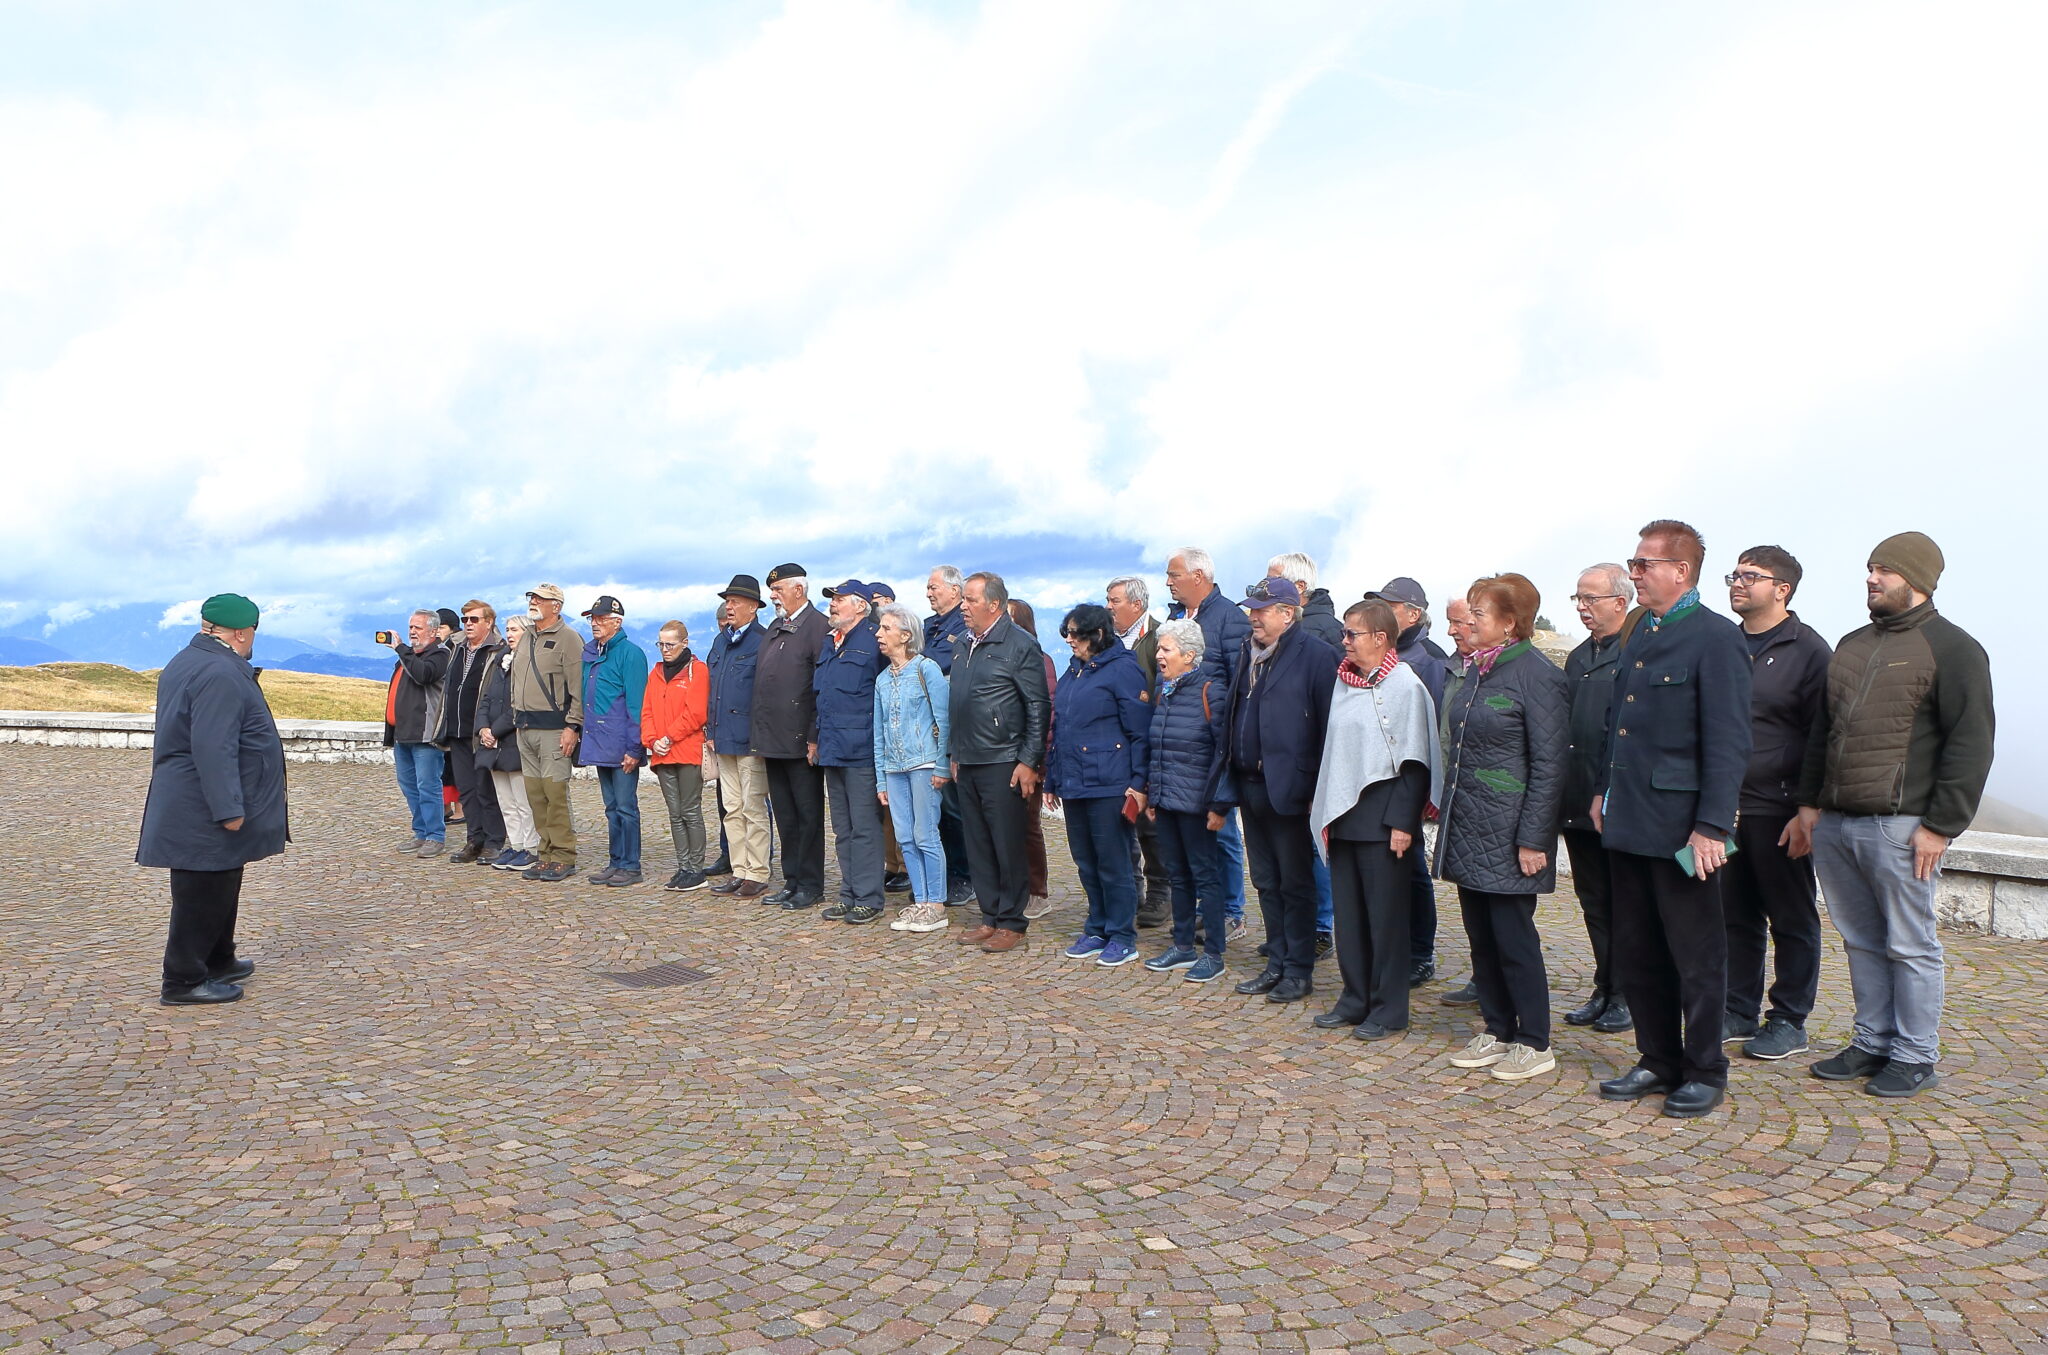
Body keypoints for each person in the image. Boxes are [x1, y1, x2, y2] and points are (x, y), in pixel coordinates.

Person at [1791, 532, 1994, 1098]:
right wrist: (1809, 806)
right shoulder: (1852, 644)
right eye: (1869, 568)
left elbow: (1970, 745)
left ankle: (1914, 1053)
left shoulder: (1954, 649)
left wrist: (1941, 826)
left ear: (1918, 580)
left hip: (1902, 826)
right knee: (1860, 939)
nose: (1871, 578)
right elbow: (1822, 734)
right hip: (1837, 821)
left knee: (1910, 943)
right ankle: (1872, 1040)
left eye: (1884, 570)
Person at [1592, 520, 1752, 1119]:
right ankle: (1657, 1058)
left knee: (1696, 954)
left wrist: (1712, 826)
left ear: (1680, 571)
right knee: (1636, 948)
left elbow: (1731, 741)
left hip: (1684, 827)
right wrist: (1602, 791)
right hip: (1630, 820)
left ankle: (1705, 1068)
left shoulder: (1715, 638)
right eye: (1634, 564)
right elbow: (1620, 724)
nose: (1634, 573)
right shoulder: (1642, 633)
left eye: (1644, 564)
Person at [1434, 574, 1569, 1083]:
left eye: (1480, 613)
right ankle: (1497, 1025)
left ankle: (1534, 1040)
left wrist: (1535, 838)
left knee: (1514, 937)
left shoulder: (1536, 676)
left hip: (1512, 833)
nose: (1470, 620)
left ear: (1510, 623)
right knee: (1481, 935)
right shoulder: (1479, 671)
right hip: (1471, 826)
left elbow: (1550, 766)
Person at [137, 594, 288, 1005]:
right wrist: (229, 809)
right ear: (242, 632)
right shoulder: (220, 671)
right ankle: (183, 979)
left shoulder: (191, 659)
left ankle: (219, 959)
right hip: (203, 805)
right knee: (202, 889)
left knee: (222, 881)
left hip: (195, 798)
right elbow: (212, 746)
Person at [1310, 599, 1442, 1039]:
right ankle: (1355, 998)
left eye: (1352, 634)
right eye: (1344, 633)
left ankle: (1388, 1009)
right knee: (1349, 918)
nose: (1344, 641)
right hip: (1346, 817)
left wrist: (1404, 823)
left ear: (1380, 638)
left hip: (1385, 824)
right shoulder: (1345, 683)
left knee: (1386, 920)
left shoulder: (1405, 685)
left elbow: (1416, 762)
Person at [1721, 546, 1833, 1059]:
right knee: (1734, 914)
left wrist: (1807, 809)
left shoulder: (1809, 651)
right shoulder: (1722, 643)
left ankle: (1789, 1018)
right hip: (1724, 807)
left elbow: (1821, 735)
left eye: (1751, 576)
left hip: (1779, 808)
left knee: (1791, 918)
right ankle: (1737, 1009)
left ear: (1782, 588)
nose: (1738, 583)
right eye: (1734, 575)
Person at [1211, 576, 1338, 1004]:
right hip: (1250, 786)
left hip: (1291, 790)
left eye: (1262, 611)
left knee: (1295, 882)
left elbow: (1326, 730)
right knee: (1266, 880)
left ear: (1287, 614)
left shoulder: (1317, 656)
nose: (1253, 618)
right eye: (1252, 610)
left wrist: (1315, 790)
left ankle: (1299, 970)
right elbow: (1234, 718)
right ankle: (1277, 962)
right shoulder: (1247, 653)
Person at [948, 572, 1053, 953]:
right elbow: (956, 705)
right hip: (969, 758)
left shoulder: (1019, 644)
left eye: (971, 599)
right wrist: (954, 753)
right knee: (977, 842)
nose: (963, 606)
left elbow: (1038, 706)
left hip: (1004, 760)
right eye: (962, 599)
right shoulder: (961, 644)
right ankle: (989, 915)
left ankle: (1012, 920)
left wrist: (1028, 760)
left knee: (1007, 843)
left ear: (994, 604)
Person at [1047, 603, 1152, 968]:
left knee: (1113, 862)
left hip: (1110, 783)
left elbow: (1140, 732)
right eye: (1067, 633)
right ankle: (1097, 926)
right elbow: (1060, 728)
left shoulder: (1123, 670)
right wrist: (1053, 776)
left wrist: (1139, 782)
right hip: (1075, 781)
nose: (1069, 640)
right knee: (1085, 861)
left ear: (1099, 634)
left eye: (1076, 634)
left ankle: (1122, 934)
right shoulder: (1073, 672)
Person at [1362, 577, 1451, 987]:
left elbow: (1428, 729)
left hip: (1406, 781)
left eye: (1390, 605)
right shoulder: (1382, 652)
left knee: (1412, 869)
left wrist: (1418, 792)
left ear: (1413, 614)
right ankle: (1391, 947)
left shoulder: (1428, 659)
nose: (1381, 611)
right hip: (1373, 781)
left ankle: (1420, 952)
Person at [1559, 565, 1636, 1035]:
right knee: (1593, 902)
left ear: (1620, 603)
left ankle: (1627, 992)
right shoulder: (1576, 657)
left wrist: (1606, 790)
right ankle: (1604, 985)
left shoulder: (1635, 652)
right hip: (1576, 800)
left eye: (1591, 599)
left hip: (1614, 802)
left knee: (1624, 902)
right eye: (1578, 599)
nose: (1583, 607)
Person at [1133, 619, 1230, 983]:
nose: (1159, 656)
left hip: (1198, 806)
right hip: (1169, 802)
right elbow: (1158, 748)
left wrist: (1220, 805)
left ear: (1190, 655)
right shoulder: (1165, 691)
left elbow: (1223, 754)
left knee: (1206, 877)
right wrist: (1154, 795)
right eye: (1158, 649)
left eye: (1166, 649)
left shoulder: (1210, 692)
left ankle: (1215, 953)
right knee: (1178, 874)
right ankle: (1183, 945)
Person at [1166, 547, 1251, 939]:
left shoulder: (1230, 618)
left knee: (1223, 832)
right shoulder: (1174, 616)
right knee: (1194, 840)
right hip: (1178, 739)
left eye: (1175, 575)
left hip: (1213, 740)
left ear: (1198, 577)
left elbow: (1239, 683)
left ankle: (1232, 911)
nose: (1169, 582)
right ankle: (1207, 907)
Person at [873, 602, 951, 933]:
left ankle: (936, 904)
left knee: (925, 833)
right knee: (904, 836)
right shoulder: (881, 680)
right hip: (894, 767)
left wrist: (943, 766)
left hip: (924, 763)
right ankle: (919, 901)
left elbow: (944, 720)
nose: (879, 633)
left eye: (886, 628)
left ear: (905, 635)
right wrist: (880, 779)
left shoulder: (926, 669)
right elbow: (878, 733)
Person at [755, 565, 831, 909]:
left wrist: (814, 735)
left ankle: (811, 884)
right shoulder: (775, 627)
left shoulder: (817, 627)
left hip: (802, 742)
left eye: (778, 589)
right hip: (772, 740)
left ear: (799, 590)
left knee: (808, 815)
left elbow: (820, 687)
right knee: (785, 815)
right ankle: (792, 879)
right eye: (772, 590)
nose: (773, 595)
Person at [815, 580, 889, 924]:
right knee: (842, 828)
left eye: (839, 599)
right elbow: (822, 697)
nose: (833, 604)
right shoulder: (830, 642)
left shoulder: (874, 641)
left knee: (865, 827)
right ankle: (849, 892)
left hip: (862, 750)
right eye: (832, 599)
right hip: (832, 748)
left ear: (860, 606)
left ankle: (869, 898)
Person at [508, 584, 585, 881]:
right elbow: (516, 679)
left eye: (541, 599)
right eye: (532, 597)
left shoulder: (569, 640)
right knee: (535, 795)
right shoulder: (527, 637)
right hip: (525, 728)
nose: (534, 602)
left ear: (557, 605)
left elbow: (577, 687)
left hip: (554, 730)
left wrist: (573, 726)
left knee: (555, 794)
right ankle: (546, 854)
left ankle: (564, 855)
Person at [1108, 574, 1171, 929]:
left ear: (1137, 604)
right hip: (1114, 744)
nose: (1109, 607)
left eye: (1115, 600)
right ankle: (1132, 890)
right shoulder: (1106, 641)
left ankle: (1162, 891)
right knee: (1122, 818)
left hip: (1148, 739)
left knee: (1151, 823)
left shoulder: (1159, 636)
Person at [706, 577, 772, 899]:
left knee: (752, 808)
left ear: (754, 607)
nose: (729, 607)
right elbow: (712, 690)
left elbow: (766, 695)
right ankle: (739, 869)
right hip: (722, 739)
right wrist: (709, 730)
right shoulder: (720, 643)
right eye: (727, 601)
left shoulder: (763, 641)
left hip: (750, 741)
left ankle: (757, 872)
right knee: (730, 808)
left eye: (735, 602)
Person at [578, 595, 649, 887]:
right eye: (592, 618)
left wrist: (635, 748)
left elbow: (636, 705)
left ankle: (631, 865)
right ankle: (616, 861)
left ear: (617, 622)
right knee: (610, 807)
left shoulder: (630, 654)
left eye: (601, 618)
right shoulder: (592, 652)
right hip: (599, 742)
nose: (595, 623)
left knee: (625, 806)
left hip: (621, 744)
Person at [1435, 595, 1483, 1008]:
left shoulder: (1506, 671)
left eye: (1460, 623)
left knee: (1497, 905)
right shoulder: (1453, 669)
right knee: (1468, 896)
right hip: (1455, 796)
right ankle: (1482, 976)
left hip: (1489, 801)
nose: (1451, 631)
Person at [643, 619, 711, 892]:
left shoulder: (698, 670)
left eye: (670, 644)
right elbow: (647, 710)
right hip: (662, 752)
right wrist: (651, 741)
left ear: (684, 642)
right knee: (674, 813)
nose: (665, 649)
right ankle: (683, 866)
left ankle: (696, 868)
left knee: (690, 810)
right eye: (661, 644)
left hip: (686, 750)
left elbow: (695, 713)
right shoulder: (656, 673)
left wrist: (668, 737)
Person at [439, 601, 508, 865]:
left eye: (474, 619)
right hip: (457, 730)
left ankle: (494, 841)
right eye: (465, 619)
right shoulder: (456, 648)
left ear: (488, 622)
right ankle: (474, 839)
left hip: (481, 731)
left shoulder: (498, 650)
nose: (468, 623)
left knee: (486, 788)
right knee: (467, 790)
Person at [923, 565, 976, 906]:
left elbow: (940, 664)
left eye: (934, 587)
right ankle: (944, 871)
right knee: (936, 804)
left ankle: (964, 874)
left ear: (955, 592)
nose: (928, 592)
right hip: (928, 726)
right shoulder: (929, 627)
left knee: (954, 806)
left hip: (952, 729)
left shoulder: (963, 624)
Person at [1007, 597, 1060, 919]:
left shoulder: (1040, 660)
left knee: (1028, 826)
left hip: (1029, 758)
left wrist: (1037, 760)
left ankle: (1037, 891)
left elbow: (1046, 712)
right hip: (999, 756)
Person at [383, 608, 450, 857]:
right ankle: (421, 832)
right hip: (403, 733)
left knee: (428, 785)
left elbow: (423, 676)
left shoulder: (440, 655)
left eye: (418, 628)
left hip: (425, 734)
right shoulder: (411, 655)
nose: (412, 632)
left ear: (433, 631)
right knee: (409, 785)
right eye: (411, 627)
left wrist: (402, 650)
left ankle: (435, 835)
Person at [476, 615, 541, 872]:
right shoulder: (501, 662)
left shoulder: (529, 663)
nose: (510, 634)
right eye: (507, 630)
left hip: (515, 740)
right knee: (506, 800)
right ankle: (515, 844)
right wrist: (482, 728)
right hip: (493, 744)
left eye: (515, 629)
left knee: (523, 800)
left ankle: (530, 847)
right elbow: (487, 699)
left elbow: (520, 703)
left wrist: (495, 729)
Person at [1269, 552, 1342, 649]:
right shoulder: (1265, 621)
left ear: (1299, 586)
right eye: (1266, 581)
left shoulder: (1328, 630)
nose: (1267, 587)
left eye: (1274, 581)